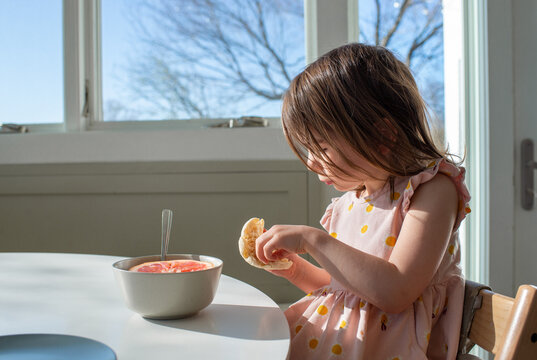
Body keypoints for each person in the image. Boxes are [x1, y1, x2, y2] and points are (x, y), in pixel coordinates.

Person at [255, 43, 471, 360]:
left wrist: (312, 239)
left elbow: (395, 291)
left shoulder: (433, 191)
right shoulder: (348, 204)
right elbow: (342, 289)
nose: (312, 163)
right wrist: (295, 270)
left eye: (323, 149)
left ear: (382, 136)